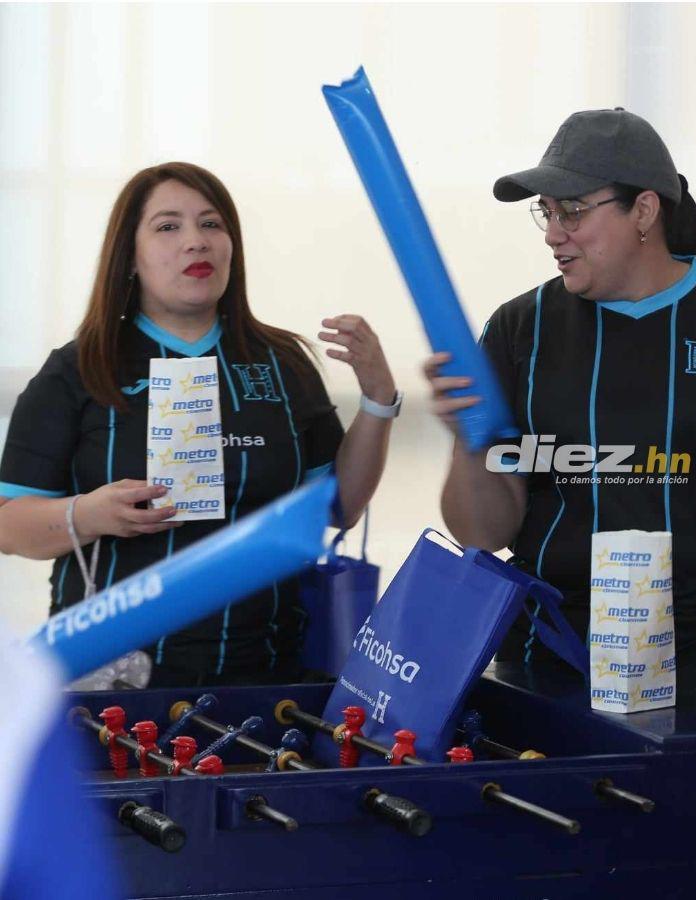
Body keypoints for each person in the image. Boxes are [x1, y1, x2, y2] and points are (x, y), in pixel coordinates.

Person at [424, 108, 696, 900]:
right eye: (546, 213)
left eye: (573, 210)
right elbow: (484, 531)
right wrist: (466, 441)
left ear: (645, 210)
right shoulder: (520, 330)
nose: (555, 234)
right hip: (555, 669)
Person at [0, 162, 398, 688]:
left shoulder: (281, 362)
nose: (196, 241)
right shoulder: (80, 368)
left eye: (211, 224)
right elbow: (9, 526)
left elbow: (338, 507)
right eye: (168, 226)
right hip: (115, 677)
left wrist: (378, 400)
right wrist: (89, 514)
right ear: (130, 256)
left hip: (268, 670)